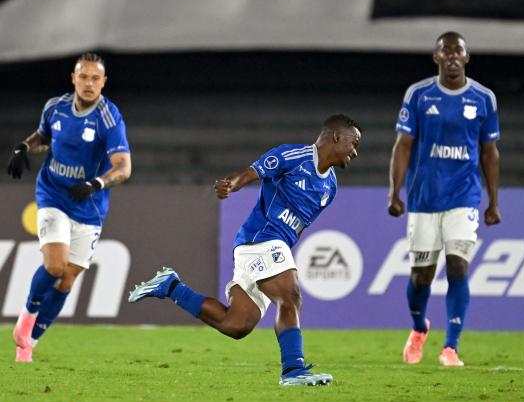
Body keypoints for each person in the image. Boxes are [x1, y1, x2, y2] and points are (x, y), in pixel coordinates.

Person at [128, 114, 361, 386]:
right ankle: (293, 370)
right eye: (354, 143)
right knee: (290, 296)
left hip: (273, 245)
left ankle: (170, 286)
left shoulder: (330, 187)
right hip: (260, 239)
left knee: (236, 325)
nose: (355, 152)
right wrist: (231, 185)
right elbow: (251, 173)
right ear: (336, 137)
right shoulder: (294, 156)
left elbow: (297, 226)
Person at [7, 53, 132, 362]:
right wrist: (24, 147)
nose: (89, 83)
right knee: (54, 265)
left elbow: (123, 167)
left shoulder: (109, 118)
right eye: (83, 77)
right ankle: (26, 317)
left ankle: (29, 344)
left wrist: (96, 184)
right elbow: (44, 137)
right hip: (52, 194)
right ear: (73, 78)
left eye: (95, 78)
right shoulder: (55, 107)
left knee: (66, 280)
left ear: (103, 82)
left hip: (87, 204)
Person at [388, 31, 501, 367]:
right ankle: (419, 327)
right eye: (445, 51)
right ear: (436, 57)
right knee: (421, 276)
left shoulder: (483, 98)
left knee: (458, 267)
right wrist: (394, 192)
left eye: (458, 51)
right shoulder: (419, 95)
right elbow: (403, 146)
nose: (452, 56)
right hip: (424, 198)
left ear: (467, 57)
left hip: (464, 196)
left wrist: (493, 201)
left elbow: (489, 151)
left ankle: (451, 347)